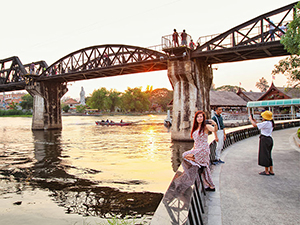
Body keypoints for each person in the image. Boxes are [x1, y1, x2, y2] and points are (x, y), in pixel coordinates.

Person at [182, 110, 218, 191]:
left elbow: (214, 130)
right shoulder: (195, 128)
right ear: (196, 118)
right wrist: (194, 150)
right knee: (205, 168)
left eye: (201, 116)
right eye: (198, 117)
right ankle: (210, 185)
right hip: (197, 149)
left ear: (203, 118)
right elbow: (195, 142)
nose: (199, 118)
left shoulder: (206, 126)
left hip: (203, 149)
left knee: (184, 155)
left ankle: (197, 165)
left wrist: (214, 123)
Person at [249, 111, 275, 176]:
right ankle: (271, 170)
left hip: (265, 139)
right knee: (268, 155)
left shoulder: (266, 123)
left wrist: (250, 120)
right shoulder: (270, 123)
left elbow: (254, 125)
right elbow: (260, 125)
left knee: (265, 155)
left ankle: (266, 171)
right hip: (269, 139)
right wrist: (255, 121)